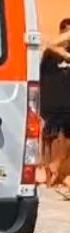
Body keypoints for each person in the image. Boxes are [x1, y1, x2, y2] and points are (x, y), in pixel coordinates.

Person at [41, 18, 70, 186]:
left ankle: (58, 170)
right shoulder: (50, 55)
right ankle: (46, 170)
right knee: (48, 139)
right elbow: (49, 45)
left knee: (66, 140)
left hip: (68, 104)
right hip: (51, 103)